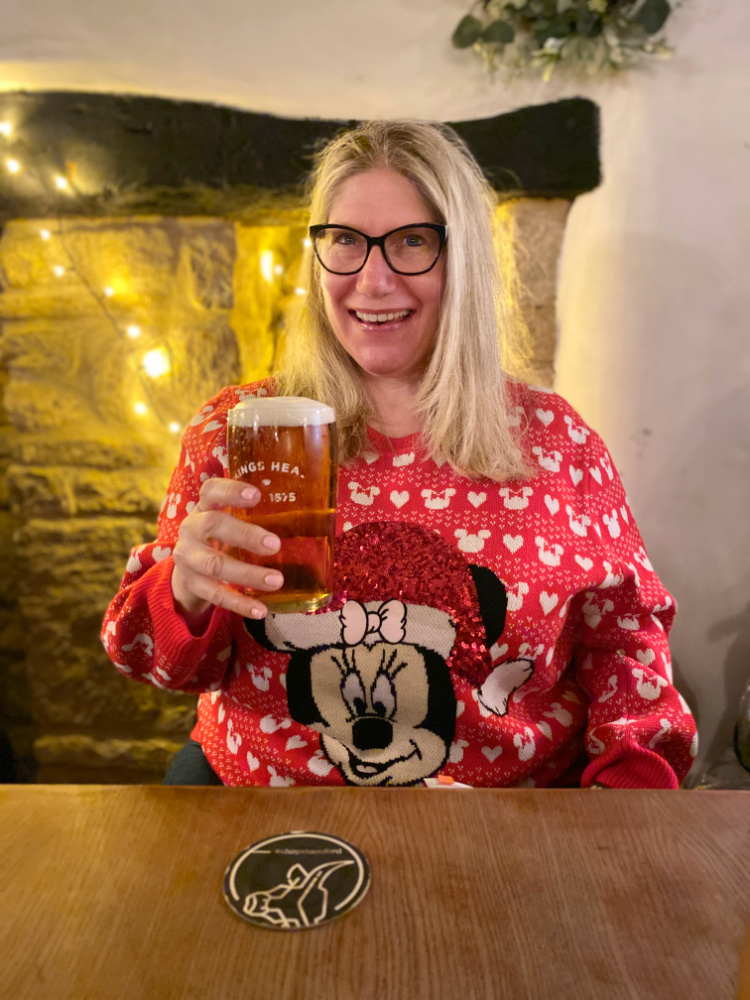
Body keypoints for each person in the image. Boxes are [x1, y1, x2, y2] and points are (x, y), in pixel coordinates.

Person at [102, 120, 697, 789]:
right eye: (346, 242)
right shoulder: (237, 430)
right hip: (265, 808)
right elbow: (151, 661)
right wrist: (183, 592)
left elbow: (626, 651)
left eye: (412, 242)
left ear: (462, 258)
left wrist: (627, 797)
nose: (372, 280)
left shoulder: (559, 443)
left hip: (508, 819)